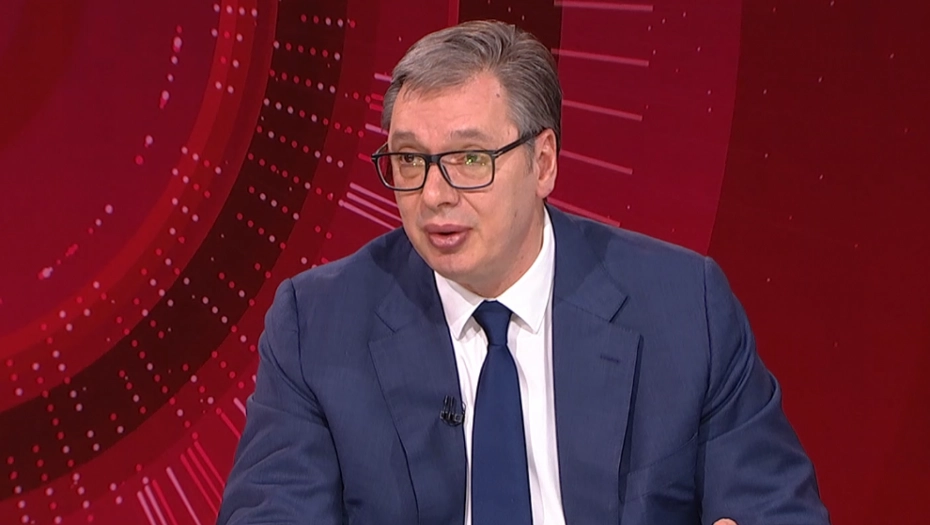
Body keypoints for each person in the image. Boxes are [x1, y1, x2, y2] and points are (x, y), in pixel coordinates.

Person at [216, 19, 829, 525]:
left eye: (469, 158)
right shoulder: (317, 325)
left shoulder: (684, 307)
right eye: (410, 160)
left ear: (543, 163)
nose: (434, 195)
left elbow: (776, 509)